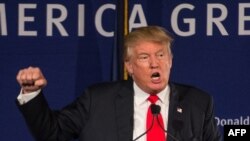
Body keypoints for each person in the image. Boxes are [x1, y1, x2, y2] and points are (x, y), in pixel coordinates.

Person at [16, 26, 221, 141]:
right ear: (129, 66)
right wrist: (31, 93)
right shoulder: (97, 100)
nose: (154, 63)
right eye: (144, 57)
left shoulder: (198, 103)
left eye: (160, 55)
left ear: (170, 60)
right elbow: (52, 134)